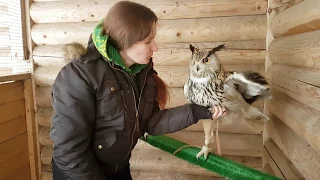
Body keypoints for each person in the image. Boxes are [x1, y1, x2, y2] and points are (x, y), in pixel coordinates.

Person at [50, 1, 227, 180]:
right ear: (126, 41)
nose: (155, 47)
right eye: (148, 41)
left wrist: (198, 111)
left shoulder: (141, 72)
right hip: (78, 174)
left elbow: (152, 122)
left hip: (118, 168)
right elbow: (69, 152)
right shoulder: (78, 76)